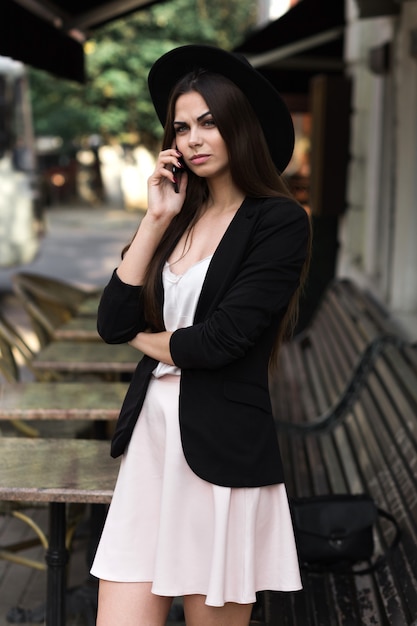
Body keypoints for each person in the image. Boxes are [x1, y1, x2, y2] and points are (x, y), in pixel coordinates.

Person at [90, 44, 312, 626]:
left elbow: (219, 342)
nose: (192, 138)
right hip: (152, 447)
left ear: (240, 126)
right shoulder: (177, 216)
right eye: (182, 126)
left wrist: (147, 338)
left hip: (222, 457)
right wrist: (156, 217)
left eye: (209, 123)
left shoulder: (279, 221)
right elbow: (111, 319)